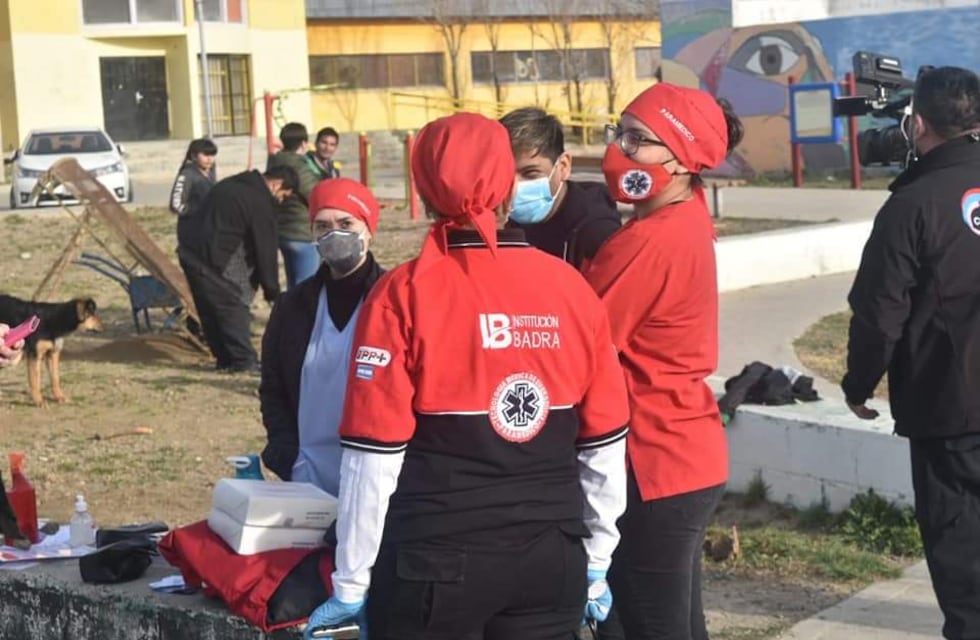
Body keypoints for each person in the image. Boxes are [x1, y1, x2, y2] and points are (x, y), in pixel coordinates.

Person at [303, 112, 631, 640]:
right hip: (553, 559)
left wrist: (350, 582)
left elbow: (372, 458)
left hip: (437, 563)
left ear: (427, 193)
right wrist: (597, 561)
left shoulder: (404, 294)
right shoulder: (571, 289)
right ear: (506, 184)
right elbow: (604, 445)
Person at [584, 83, 744, 640]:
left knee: (647, 624)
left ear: (680, 160)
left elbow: (581, 342)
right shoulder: (685, 216)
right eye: (618, 132)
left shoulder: (648, 243)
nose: (619, 151)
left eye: (637, 139)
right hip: (684, 454)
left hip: (653, 459)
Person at [841, 67, 980, 640]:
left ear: (916, 123)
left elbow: (879, 313)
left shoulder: (911, 204)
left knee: (963, 553)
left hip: (951, 410)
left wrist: (858, 384)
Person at [260, 177, 384, 496]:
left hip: (377, 474)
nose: (334, 234)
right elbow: (273, 389)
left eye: (346, 222)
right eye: (322, 226)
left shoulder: (393, 301)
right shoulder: (292, 307)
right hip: (307, 472)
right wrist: (288, 456)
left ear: (368, 229)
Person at [177, 165, 298, 374]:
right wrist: (272, 290)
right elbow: (265, 249)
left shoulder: (230, 184)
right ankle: (243, 361)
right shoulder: (259, 202)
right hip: (219, 262)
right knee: (232, 308)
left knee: (209, 311)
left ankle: (225, 359)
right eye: (283, 196)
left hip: (191, 253)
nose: (281, 201)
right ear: (276, 184)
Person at [499, 107, 622, 269]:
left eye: (530, 174)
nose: (514, 188)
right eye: (504, 175)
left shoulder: (597, 234)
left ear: (563, 167)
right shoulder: (496, 221)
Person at [268, 122, 322, 289]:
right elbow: (314, 194)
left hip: (283, 230)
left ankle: (291, 314)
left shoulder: (274, 161)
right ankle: (301, 315)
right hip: (302, 232)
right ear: (304, 143)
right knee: (307, 287)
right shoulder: (298, 165)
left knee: (294, 284)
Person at [170, 138, 218, 223]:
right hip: (192, 228)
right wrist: (198, 210)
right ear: (194, 156)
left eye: (212, 155)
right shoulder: (187, 174)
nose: (210, 159)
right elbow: (176, 205)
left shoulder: (211, 172)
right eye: (206, 155)